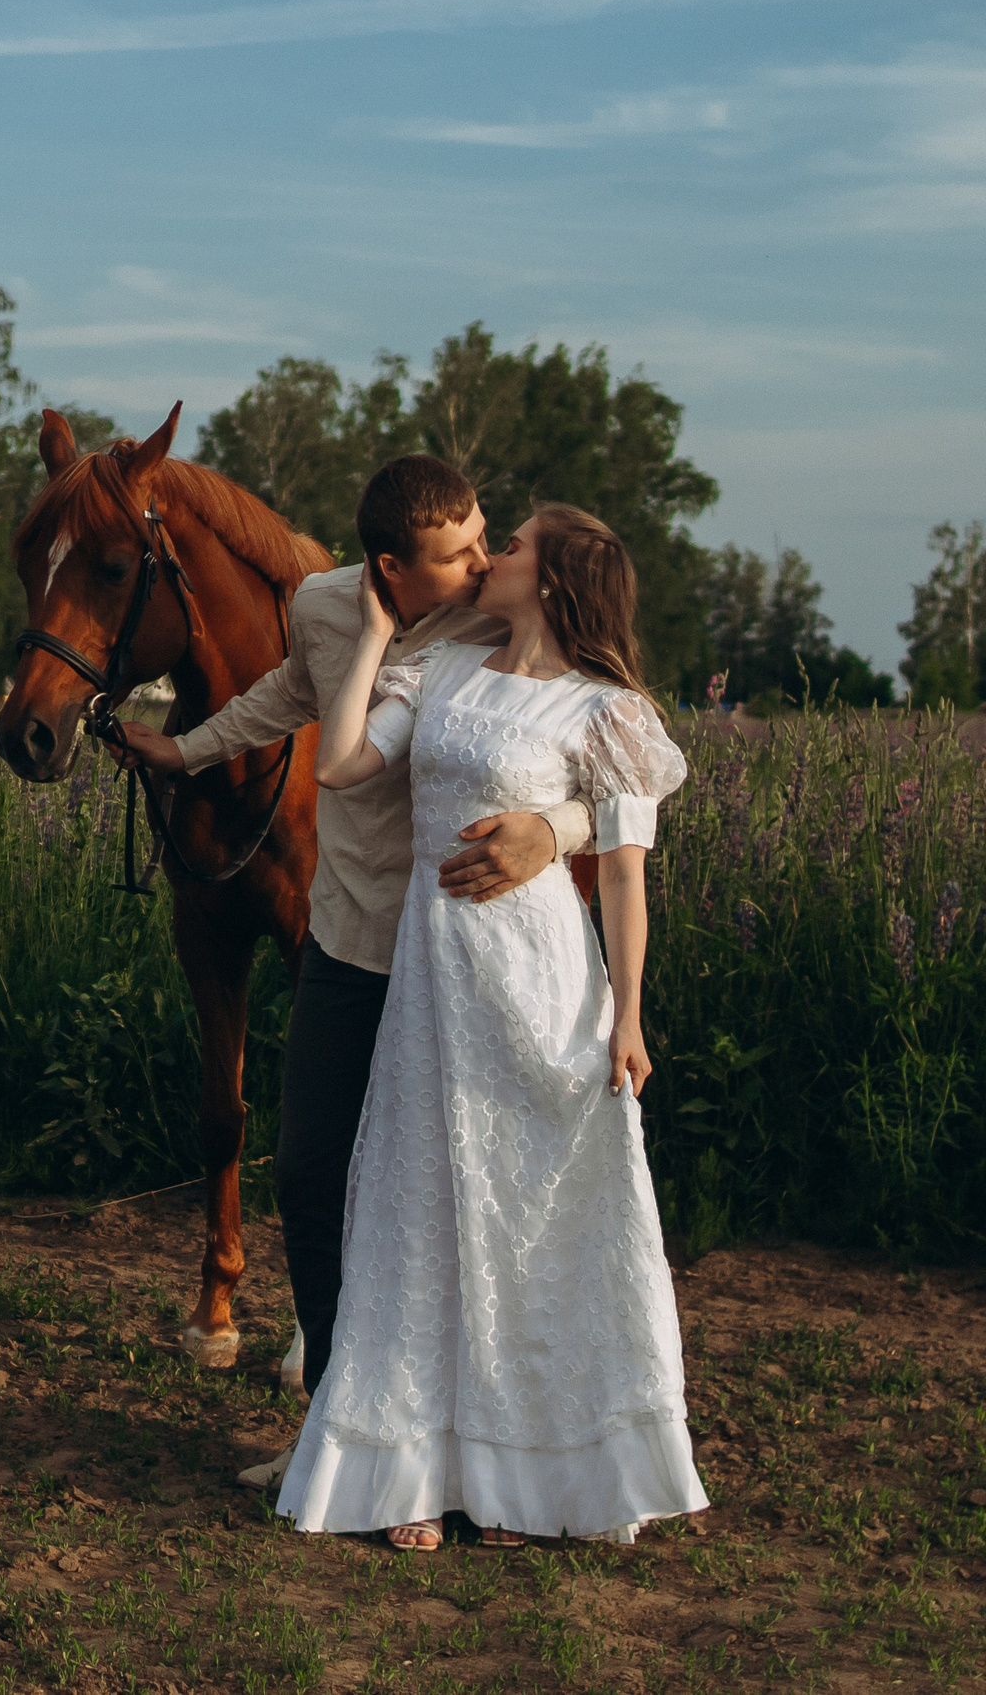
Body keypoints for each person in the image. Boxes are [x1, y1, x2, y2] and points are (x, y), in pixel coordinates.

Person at [110, 457, 594, 1489]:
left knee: (453, 1197)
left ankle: (480, 1445)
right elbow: (290, 694)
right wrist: (185, 752)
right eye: (457, 552)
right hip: (348, 937)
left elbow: (617, 766)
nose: (479, 562)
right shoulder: (327, 607)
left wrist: (551, 831)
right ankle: (335, 1420)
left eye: (484, 538)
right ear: (389, 567)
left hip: (462, 954)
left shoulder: (498, 626)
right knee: (315, 1175)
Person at [269, 502, 708, 1549]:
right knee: (416, 1215)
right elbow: (335, 767)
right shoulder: (445, 672)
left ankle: (533, 1481)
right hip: (434, 985)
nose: (491, 556)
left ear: (550, 581)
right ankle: (410, 1468)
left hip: (546, 984)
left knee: (536, 1221)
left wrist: (629, 1015)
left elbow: (626, 883)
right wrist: (374, 632)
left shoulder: (606, 713)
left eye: (510, 545)